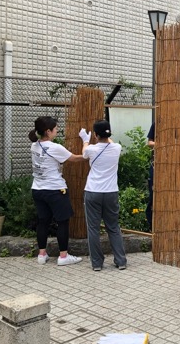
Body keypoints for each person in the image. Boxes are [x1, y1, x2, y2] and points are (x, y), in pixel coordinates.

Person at [29, 116, 85, 266]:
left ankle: (42, 254)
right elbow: (74, 158)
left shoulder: (34, 146)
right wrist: (89, 153)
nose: (57, 130)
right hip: (55, 189)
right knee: (62, 222)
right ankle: (63, 256)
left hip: (38, 189)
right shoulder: (55, 147)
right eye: (55, 128)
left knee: (43, 221)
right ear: (48, 131)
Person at [80, 120, 127, 271]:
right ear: (109, 133)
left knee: (93, 229)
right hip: (111, 192)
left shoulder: (91, 149)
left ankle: (97, 264)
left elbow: (84, 153)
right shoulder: (117, 148)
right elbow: (110, 142)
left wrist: (85, 140)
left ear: (95, 134)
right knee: (113, 227)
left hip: (93, 191)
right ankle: (121, 261)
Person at [146, 122, 155, 232]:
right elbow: (149, 142)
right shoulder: (156, 124)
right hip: (156, 164)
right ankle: (151, 224)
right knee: (153, 194)